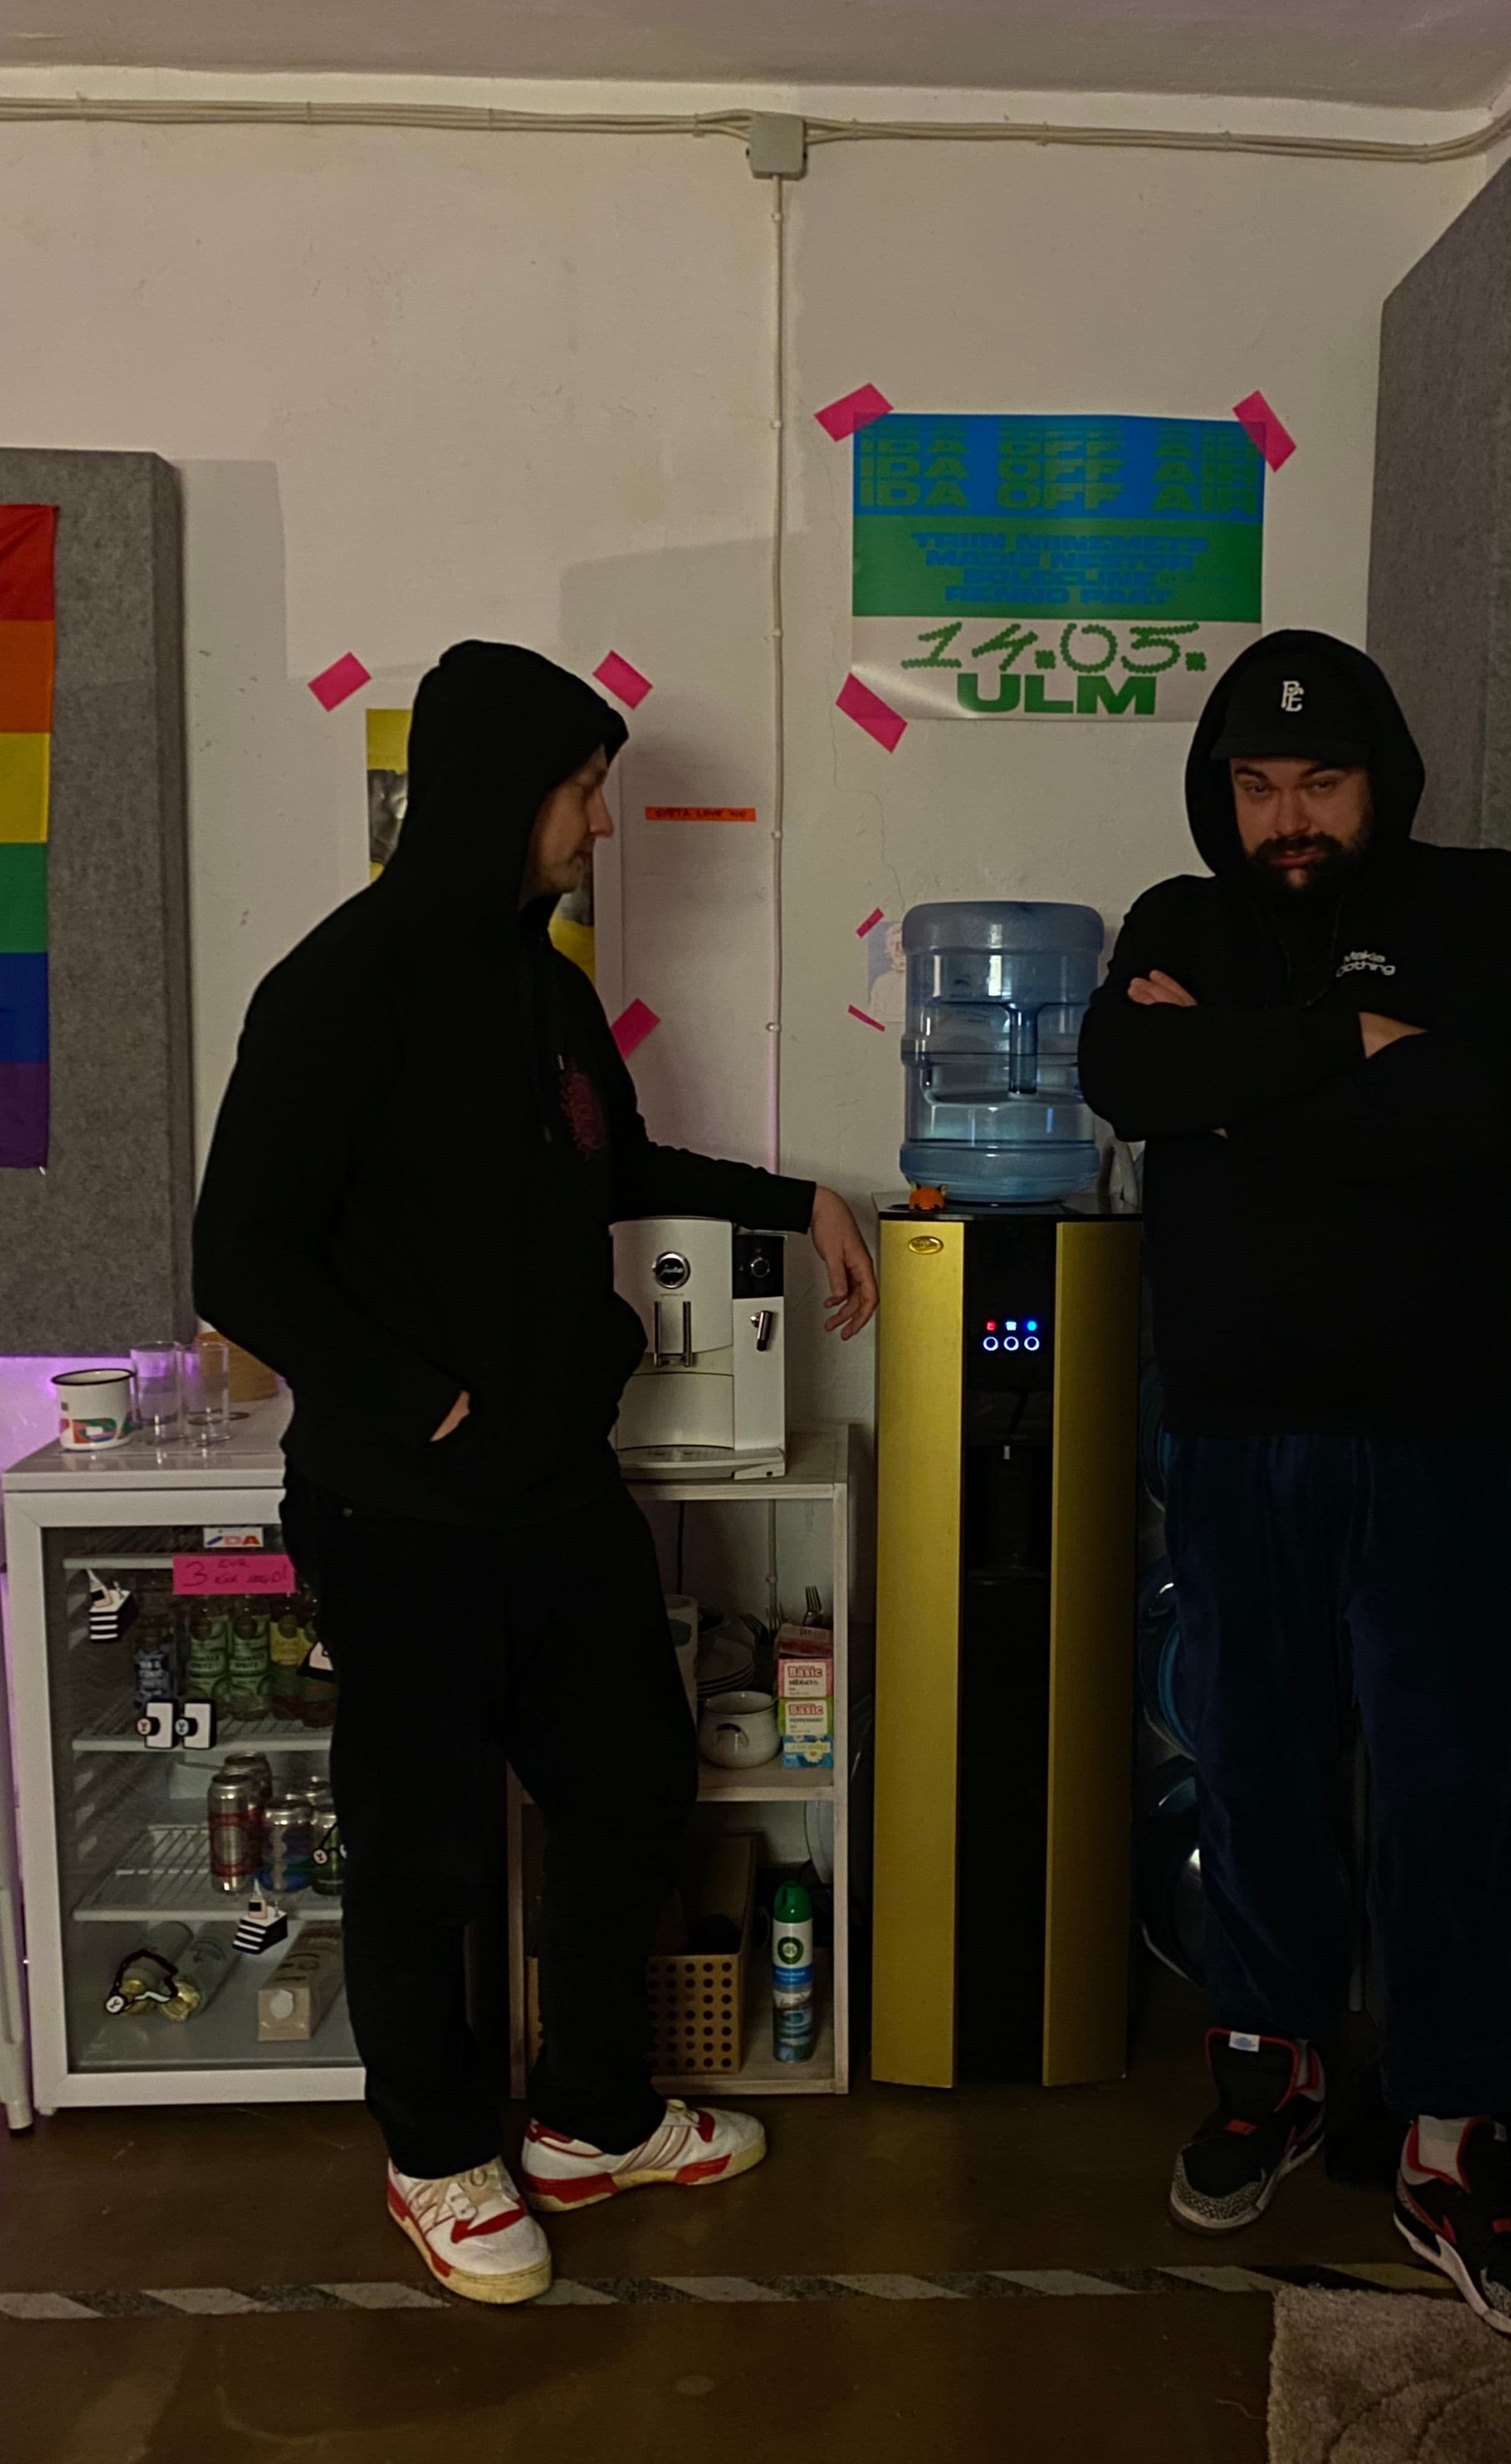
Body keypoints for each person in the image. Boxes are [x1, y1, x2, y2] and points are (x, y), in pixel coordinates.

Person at [194, 640, 877, 2307]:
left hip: (560, 1496)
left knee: (631, 1794)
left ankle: (591, 2116)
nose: (601, 826)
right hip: (403, 1512)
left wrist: (795, 1203)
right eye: (582, 792)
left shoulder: (542, 987)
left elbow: (606, 1159)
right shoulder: (337, 989)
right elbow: (242, 1253)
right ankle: (436, 2157)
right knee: (423, 1855)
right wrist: (419, 1403)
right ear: (502, 793)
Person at [1079, 631, 1511, 2348]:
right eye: (1257, 785)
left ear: (1384, 781)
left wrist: (1235, 1086)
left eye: (1322, 781)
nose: (1289, 816)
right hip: (1233, 1437)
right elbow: (1126, 1078)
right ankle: (1270, 2066)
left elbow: (1473, 1103)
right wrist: (1347, 1042)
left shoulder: (1482, 906)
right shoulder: (1177, 918)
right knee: (1258, 1767)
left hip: (1441, 1437)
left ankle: (1456, 2139)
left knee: (1456, 1792)